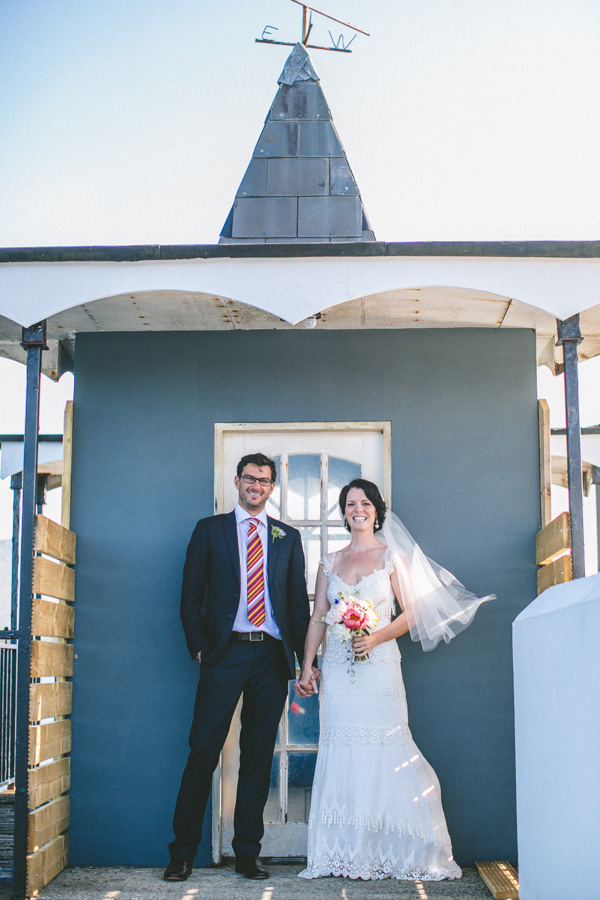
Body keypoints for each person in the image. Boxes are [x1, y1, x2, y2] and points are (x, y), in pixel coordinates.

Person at [295, 478, 493, 880]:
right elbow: (318, 616)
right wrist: (307, 665)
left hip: (380, 667)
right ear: (344, 512)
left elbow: (414, 612)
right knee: (343, 748)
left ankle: (393, 849)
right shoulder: (328, 563)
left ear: (376, 510)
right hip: (338, 671)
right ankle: (345, 852)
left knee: (387, 745)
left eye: (365, 503)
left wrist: (376, 636)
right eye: (350, 504)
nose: (358, 509)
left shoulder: (391, 558)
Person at [164, 453, 312, 883]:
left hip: (271, 654)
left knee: (258, 755)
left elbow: (296, 604)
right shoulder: (210, 531)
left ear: (271, 488)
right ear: (237, 481)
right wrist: (200, 648)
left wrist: (305, 661)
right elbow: (191, 593)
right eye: (250, 478)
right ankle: (182, 853)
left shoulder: (288, 537)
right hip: (224, 653)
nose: (256, 486)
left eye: (264, 481)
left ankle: (248, 851)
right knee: (203, 750)